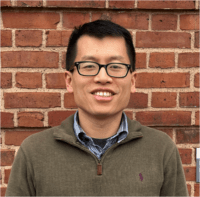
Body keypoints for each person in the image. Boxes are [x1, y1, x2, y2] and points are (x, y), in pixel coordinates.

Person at [6, 20, 189, 197]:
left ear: (132, 81)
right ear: (69, 81)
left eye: (116, 66)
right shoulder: (33, 152)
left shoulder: (161, 150)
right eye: (89, 66)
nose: (103, 77)